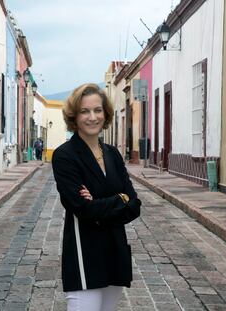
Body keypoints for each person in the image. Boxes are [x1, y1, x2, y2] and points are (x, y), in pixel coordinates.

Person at [52, 83, 141, 311]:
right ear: (74, 116)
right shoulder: (65, 156)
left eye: (97, 110)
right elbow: (82, 209)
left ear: (106, 113)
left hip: (115, 249)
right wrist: (118, 199)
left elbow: (134, 205)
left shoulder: (112, 154)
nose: (92, 117)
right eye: (85, 111)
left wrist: (104, 203)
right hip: (85, 252)